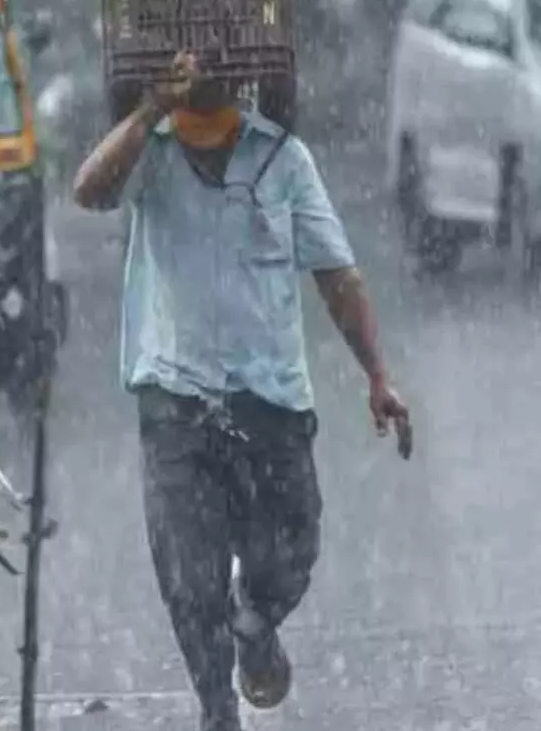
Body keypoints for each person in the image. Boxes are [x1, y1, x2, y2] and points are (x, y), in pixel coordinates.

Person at [71, 51, 413, 731]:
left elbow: (337, 275)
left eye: (209, 59)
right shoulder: (151, 151)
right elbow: (91, 190)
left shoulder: (283, 160)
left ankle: (253, 622)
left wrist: (377, 375)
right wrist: (149, 110)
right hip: (176, 399)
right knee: (187, 579)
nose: (196, 70)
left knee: (292, 550)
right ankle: (216, 709)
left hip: (270, 400)